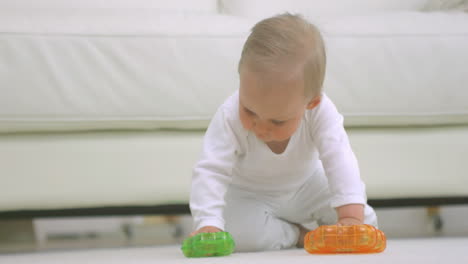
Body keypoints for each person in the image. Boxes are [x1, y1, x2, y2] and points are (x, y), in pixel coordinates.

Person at [188, 13, 377, 252]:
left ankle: (330, 227)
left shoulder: (321, 111)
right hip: (250, 195)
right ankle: (297, 234)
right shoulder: (229, 115)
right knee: (239, 236)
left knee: (366, 221)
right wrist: (208, 223)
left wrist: (350, 217)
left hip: (308, 186)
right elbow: (211, 169)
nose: (260, 127)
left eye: (277, 121)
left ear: (311, 102)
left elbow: (339, 157)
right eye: (250, 110)